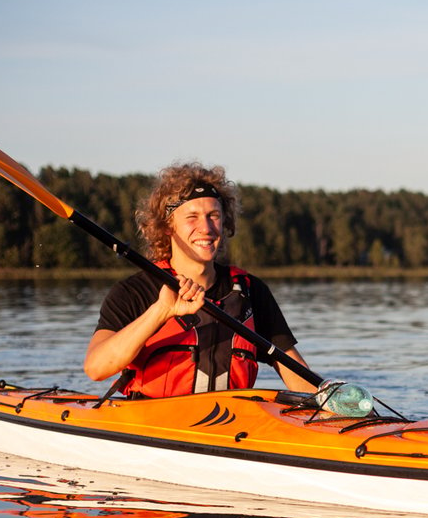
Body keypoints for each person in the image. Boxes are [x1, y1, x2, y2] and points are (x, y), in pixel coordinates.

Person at [84, 162, 319, 397]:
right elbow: (96, 369)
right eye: (192, 217)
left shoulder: (250, 291)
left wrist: (336, 404)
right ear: (167, 226)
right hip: (151, 425)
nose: (206, 228)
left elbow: (299, 377)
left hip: (230, 426)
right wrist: (161, 311)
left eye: (213, 216)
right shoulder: (134, 292)